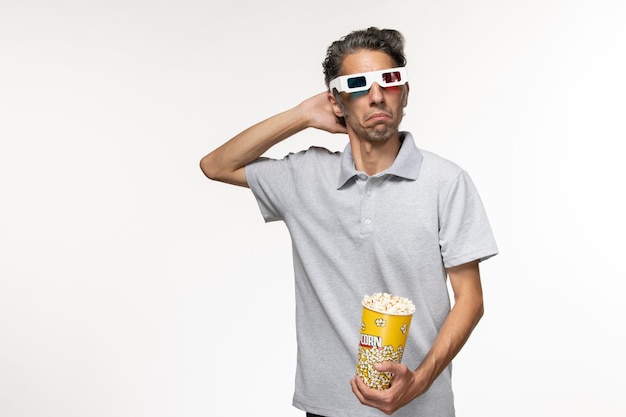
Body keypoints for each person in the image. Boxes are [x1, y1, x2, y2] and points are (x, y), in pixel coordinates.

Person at [200, 27, 498, 417]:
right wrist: (302, 115)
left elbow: (470, 300)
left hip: (422, 407)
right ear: (337, 102)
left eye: (389, 82)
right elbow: (216, 165)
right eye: (357, 85)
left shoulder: (446, 182)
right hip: (328, 408)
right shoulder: (305, 177)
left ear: (405, 94)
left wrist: (420, 381)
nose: (376, 95)